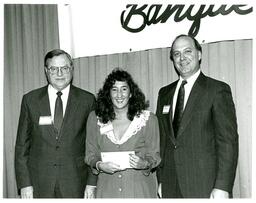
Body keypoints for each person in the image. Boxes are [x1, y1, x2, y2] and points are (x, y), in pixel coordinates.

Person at [156, 34, 238, 198]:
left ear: (199, 54)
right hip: (170, 185)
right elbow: (163, 141)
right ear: (172, 58)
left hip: (205, 185)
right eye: (177, 54)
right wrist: (161, 179)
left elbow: (228, 142)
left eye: (187, 51)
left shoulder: (216, 90)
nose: (182, 58)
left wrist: (222, 186)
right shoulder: (164, 93)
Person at [15, 49, 97, 198]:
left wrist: (91, 183)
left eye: (64, 68)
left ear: (71, 69)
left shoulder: (87, 100)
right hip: (39, 184)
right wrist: (24, 184)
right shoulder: (30, 100)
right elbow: (22, 146)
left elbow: (94, 145)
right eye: (54, 69)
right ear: (46, 71)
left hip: (76, 183)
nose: (60, 73)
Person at [85, 68, 161, 198]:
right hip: (107, 191)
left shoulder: (148, 120)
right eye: (114, 89)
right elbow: (90, 155)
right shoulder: (95, 119)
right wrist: (99, 165)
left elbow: (154, 156)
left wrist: (144, 164)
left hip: (140, 192)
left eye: (124, 89)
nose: (119, 94)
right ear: (108, 93)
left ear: (131, 93)